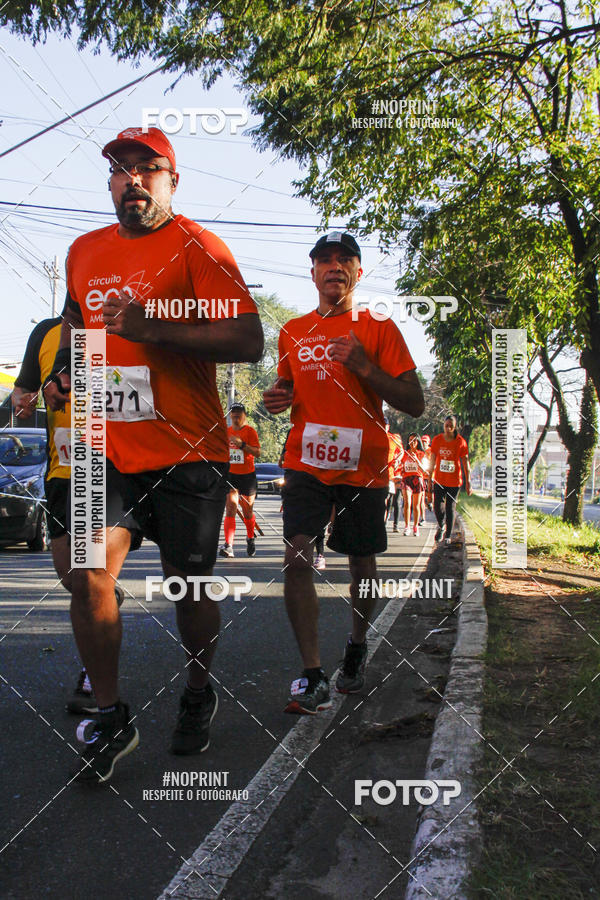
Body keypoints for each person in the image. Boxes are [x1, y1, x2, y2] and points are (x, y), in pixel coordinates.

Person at [43, 126, 263, 782]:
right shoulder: (84, 251)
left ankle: (198, 688)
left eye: (148, 168)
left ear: (172, 180)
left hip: (187, 451)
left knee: (187, 589)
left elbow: (248, 338)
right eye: (121, 169)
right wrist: (62, 372)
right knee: (89, 572)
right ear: (110, 182)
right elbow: (75, 324)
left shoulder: (199, 246)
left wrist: (153, 328)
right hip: (103, 446)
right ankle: (110, 715)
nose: (133, 179)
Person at [263, 231, 424, 714]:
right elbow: (288, 388)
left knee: (361, 565)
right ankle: (312, 673)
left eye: (345, 259)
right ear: (312, 273)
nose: (334, 266)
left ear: (358, 272)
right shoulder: (292, 330)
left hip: (363, 464)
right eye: (325, 260)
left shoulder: (378, 328)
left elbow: (414, 403)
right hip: (306, 461)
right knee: (296, 557)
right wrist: (278, 398)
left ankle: (356, 643)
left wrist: (364, 367)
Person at [12, 317, 124, 716]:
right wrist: (22, 400)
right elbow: (23, 386)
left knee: (90, 579)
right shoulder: (45, 331)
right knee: (73, 580)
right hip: (61, 471)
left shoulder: (121, 325)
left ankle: (96, 680)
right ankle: (107, 601)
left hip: (109, 466)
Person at [220, 403, 261, 558]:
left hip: (247, 476)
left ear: (244, 415)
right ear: (230, 415)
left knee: (247, 511)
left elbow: (257, 452)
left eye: (239, 412)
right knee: (230, 508)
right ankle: (229, 545)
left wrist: (242, 444)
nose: (236, 415)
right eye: (234, 412)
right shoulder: (226, 432)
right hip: (231, 475)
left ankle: (250, 537)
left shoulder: (250, 431)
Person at [429, 415, 472, 545]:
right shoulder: (437, 440)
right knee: (437, 506)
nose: (448, 429)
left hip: (454, 481)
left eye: (451, 426)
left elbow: (465, 463)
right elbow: (432, 459)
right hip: (439, 480)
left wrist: (468, 482)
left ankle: (448, 535)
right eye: (446, 426)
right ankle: (441, 525)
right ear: (443, 425)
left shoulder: (460, 442)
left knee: (450, 507)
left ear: (454, 427)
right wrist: (429, 477)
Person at [399, 432, 427, 536]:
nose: (412, 442)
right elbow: (401, 466)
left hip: (417, 479)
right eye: (410, 440)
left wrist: (417, 461)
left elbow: (424, 470)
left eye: (414, 440)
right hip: (406, 480)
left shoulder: (421, 454)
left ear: (418, 442)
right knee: (407, 502)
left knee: (416, 505)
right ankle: (407, 526)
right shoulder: (405, 453)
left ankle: (415, 526)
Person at [384, 423, 403, 532]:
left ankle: (395, 524)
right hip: (381, 475)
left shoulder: (393, 439)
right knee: (386, 500)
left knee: (395, 501)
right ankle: (384, 521)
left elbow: (402, 452)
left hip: (394, 476)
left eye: (386, 425)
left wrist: (398, 460)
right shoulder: (377, 436)